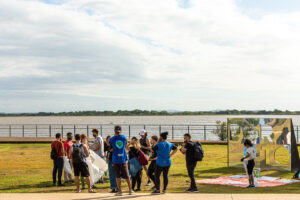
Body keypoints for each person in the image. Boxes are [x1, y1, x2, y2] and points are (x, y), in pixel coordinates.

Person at [109, 125, 133, 196]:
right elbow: (125, 146)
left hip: (115, 159)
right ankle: (130, 190)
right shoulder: (124, 137)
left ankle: (119, 191)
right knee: (127, 175)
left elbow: (110, 149)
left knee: (117, 176)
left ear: (114, 130)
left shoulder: (112, 139)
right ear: (120, 130)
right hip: (123, 159)